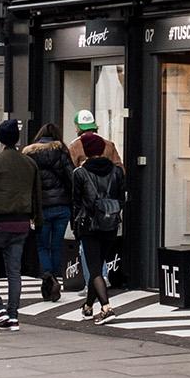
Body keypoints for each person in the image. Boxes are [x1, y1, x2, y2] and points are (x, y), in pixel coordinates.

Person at [0, 118, 38, 330]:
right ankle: (13, 316)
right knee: (14, 271)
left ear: (0, 139)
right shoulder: (29, 163)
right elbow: (37, 195)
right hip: (21, 223)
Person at [71, 132, 126, 322]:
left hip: (89, 225)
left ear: (86, 151)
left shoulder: (80, 173)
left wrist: (75, 227)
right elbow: (121, 198)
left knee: (94, 269)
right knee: (99, 262)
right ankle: (88, 306)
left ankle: (106, 307)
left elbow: (76, 203)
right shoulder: (117, 171)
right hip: (110, 223)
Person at [23, 122, 76, 303]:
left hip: (40, 207)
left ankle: (49, 277)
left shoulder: (29, 154)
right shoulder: (61, 151)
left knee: (42, 245)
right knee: (56, 244)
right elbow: (71, 177)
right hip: (62, 205)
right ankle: (53, 278)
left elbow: (27, 183)